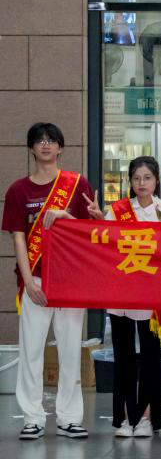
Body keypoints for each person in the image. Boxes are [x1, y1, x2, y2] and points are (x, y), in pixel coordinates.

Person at [4, 123, 98, 440]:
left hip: (70, 280)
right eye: (40, 140)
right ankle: (32, 417)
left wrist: (65, 216)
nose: (46, 145)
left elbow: (90, 232)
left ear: (61, 148)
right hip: (35, 279)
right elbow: (18, 237)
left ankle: (69, 418)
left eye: (51, 140)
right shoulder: (18, 190)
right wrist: (28, 281)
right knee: (31, 350)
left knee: (70, 350)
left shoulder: (76, 184)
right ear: (31, 148)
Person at [104, 156, 161, 438]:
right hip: (122, 291)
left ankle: (146, 417)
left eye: (147, 178)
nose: (141, 183)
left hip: (153, 294)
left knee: (150, 357)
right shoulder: (118, 210)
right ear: (130, 182)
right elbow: (106, 245)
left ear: (156, 180)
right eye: (136, 178)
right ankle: (125, 418)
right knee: (123, 356)